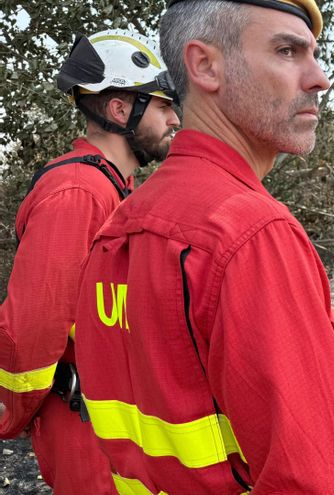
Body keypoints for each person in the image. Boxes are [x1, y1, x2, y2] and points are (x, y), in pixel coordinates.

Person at [72, 1, 334, 493]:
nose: (320, 78)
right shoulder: (250, 236)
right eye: (288, 51)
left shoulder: (118, 229)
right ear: (205, 66)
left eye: (313, 55)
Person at [0, 30, 179, 494]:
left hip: (114, 422)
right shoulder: (78, 194)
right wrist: (15, 410)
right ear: (121, 111)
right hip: (85, 432)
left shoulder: (114, 189)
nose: (175, 119)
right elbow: (33, 328)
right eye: (163, 106)